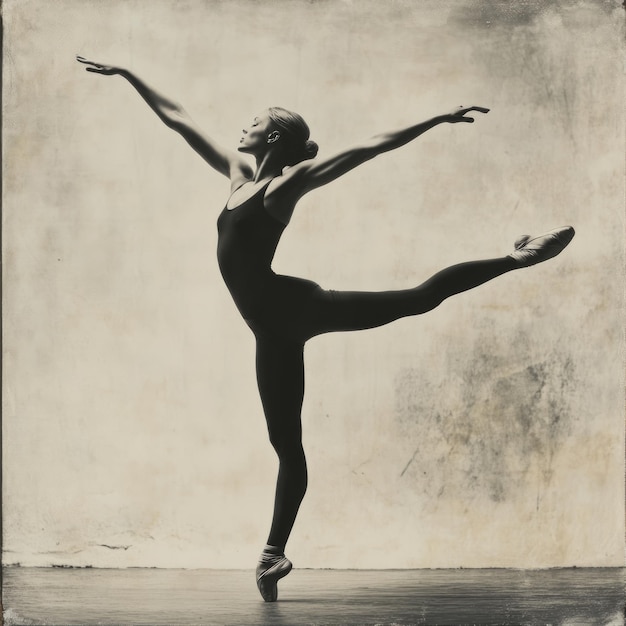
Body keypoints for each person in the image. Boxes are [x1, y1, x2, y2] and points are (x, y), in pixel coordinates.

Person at [76, 56, 575, 602]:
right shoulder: (239, 178)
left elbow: (371, 146)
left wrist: (436, 118)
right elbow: (177, 117)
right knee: (285, 443)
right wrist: (127, 72)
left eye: (255, 119)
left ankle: (516, 258)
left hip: (295, 308)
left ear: (274, 136)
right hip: (270, 332)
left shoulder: (282, 188)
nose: (243, 125)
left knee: (417, 299)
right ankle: (273, 556)